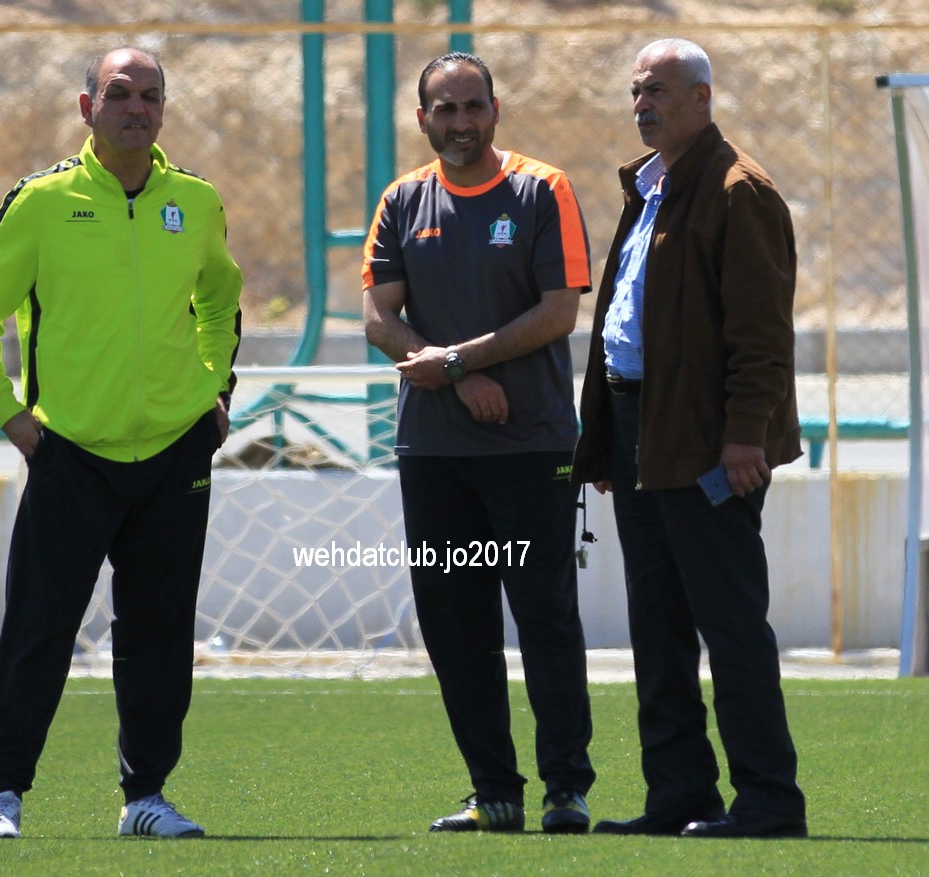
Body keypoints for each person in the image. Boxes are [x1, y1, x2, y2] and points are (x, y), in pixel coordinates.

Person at [0, 46, 243, 840]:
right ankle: (1, 794)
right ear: (88, 108)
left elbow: (222, 299)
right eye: (119, 93)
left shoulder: (196, 201)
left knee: (158, 635)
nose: (136, 108)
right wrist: (11, 415)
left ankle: (146, 795)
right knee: (38, 629)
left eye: (151, 95)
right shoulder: (42, 202)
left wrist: (215, 392)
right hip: (70, 454)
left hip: (174, 453)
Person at [573, 38, 807, 839]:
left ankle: (769, 801)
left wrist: (744, 437)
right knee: (658, 625)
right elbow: (624, 325)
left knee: (730, 624)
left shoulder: (741, 191)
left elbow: (762, 336)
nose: (643, 104)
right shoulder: (651, 187)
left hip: (707, 441)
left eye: (660, 91)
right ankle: (680, 794)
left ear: (703, 98)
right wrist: (606, 443)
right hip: (639, 429)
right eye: (637, 91)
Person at [362, 51, 596, 834]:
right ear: (422, 118)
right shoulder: (402, 200)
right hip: (434, 453)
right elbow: (378, 318)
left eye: (473, 107)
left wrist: (460, 359)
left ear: (495, 110)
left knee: (545, 618)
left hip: (529, 448)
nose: (460, 122)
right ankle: (494, 789)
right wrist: (454, 374)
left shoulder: (542, 189)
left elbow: (559, 310)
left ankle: (566, 788)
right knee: (456, 627)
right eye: (445, 109)